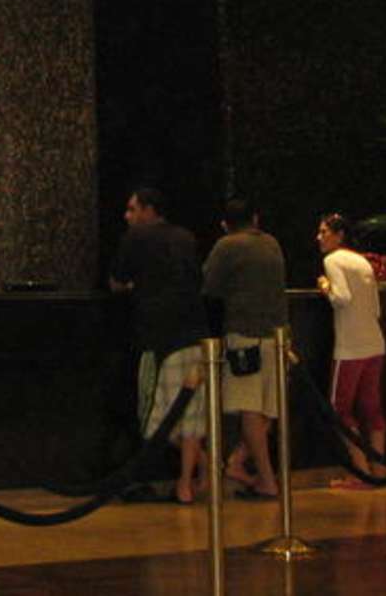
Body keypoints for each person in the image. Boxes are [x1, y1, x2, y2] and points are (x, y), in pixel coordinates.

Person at [110, 186, 209, 504]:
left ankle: (157, 479)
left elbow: (116, 281)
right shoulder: (186, 237)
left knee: (153, 417)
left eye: (132, 209)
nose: (127, 216)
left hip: (158, 340)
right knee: (191, 417)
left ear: (148, 210)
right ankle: (186, 484)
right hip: (196, 336)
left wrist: (133, 285)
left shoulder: (136, 238)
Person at [202, 196, 285, 498]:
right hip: (275, 335)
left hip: (243, 335)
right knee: (269, 409)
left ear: (225, 224)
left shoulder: (227, 246)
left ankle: (266, 479)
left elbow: (210, 287)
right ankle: (240, 462)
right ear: (256, 219)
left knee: (249, 408)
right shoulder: (272, 244)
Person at [317, 211, 386, 487]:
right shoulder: (362, 261)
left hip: (350, 347)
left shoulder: (332, 260)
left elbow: (341, 298)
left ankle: (360, 469)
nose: (319, 237)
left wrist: (325, 286)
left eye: (324, 232)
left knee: (339, 409)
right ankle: (379, 467)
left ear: (339, 235)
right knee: (372, 408)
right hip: (375, 341)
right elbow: (376, 307)